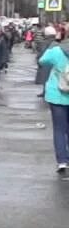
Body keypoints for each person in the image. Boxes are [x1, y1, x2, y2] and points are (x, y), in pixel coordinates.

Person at [37, 37, 69, 174]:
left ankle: (62, 161)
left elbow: (42, 61)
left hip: (57, 95)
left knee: (59, 129)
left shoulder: (56, 50)